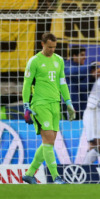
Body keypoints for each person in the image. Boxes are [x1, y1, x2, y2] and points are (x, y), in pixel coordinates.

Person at [21, 33, 76, 185]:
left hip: (55, 104)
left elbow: (62, 83)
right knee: (48, 140)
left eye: (54, 47)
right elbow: (26, 84)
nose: (52, 50)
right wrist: (26, 104)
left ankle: (30, 174)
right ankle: (56, 177)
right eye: (49, 47)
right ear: (42, 44)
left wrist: (68, 102)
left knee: (49, 142)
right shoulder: (34, 61)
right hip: (40, 105)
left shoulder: (59, 60)